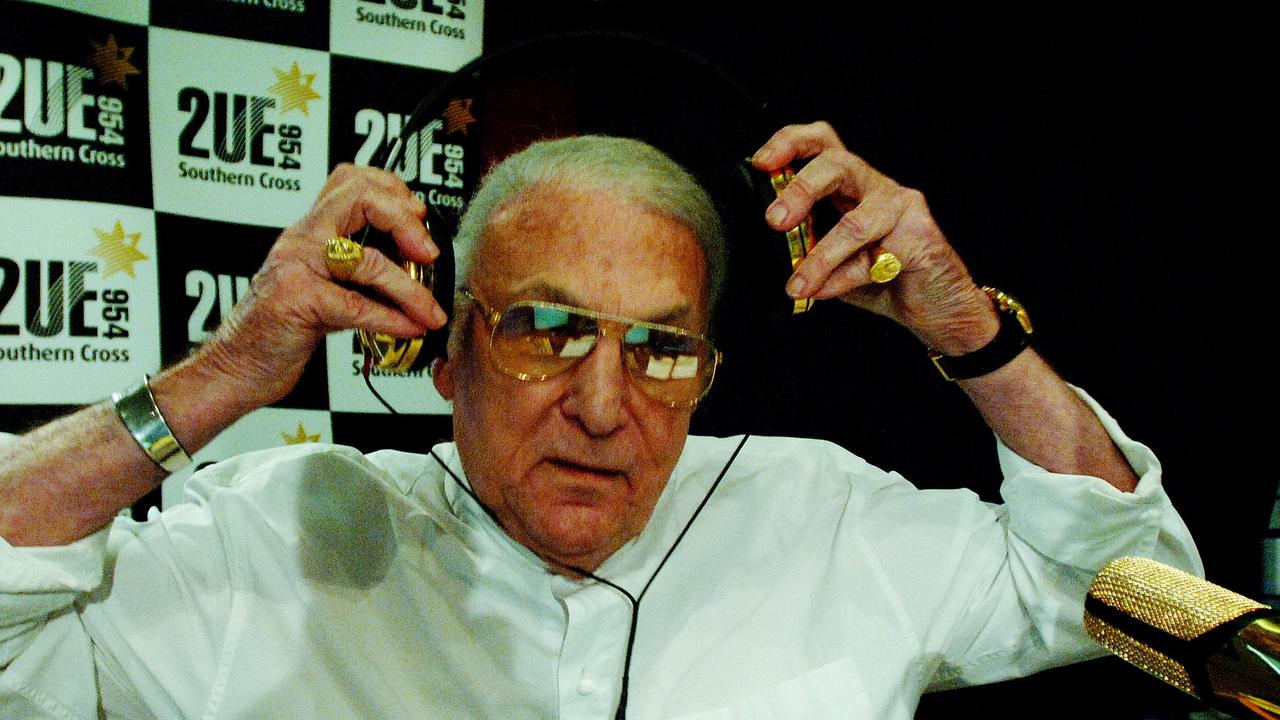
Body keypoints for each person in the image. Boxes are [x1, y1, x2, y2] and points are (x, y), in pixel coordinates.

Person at [0, 123, 1199, 719]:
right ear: (438, 353)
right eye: (544, 331)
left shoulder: (824, 514)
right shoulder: (272, 541)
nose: (601, 406)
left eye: (661, 349)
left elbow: (1155, 608)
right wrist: (223, 375)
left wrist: (971, 334)